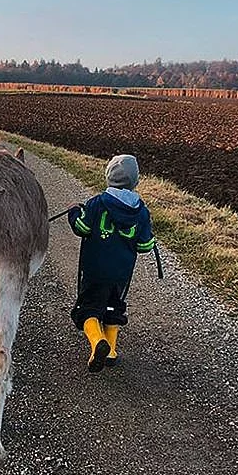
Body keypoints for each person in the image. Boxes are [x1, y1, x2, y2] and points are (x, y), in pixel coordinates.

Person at [67, 154, 155, 372]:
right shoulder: (142, 212)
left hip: (95, 270)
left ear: (108, 177)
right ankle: (112, 351)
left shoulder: (97, 203)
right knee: (114, 307)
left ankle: (98, 342)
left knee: (88, 308)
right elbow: (145, 246)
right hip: (121, 274)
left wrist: (74, 212)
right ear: (136, 181)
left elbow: (82, 228)